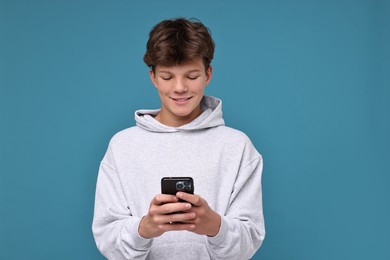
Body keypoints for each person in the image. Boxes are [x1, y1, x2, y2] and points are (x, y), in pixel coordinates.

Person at [92, 17, 265, 260]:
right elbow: (107, 238)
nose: (180, 87)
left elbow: (249, 241)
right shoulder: (122, 146)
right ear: (152, 77)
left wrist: (215, 226)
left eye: (192, 76)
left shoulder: (237, 147)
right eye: (167, 77)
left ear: (208, 74)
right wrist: (144, 229)